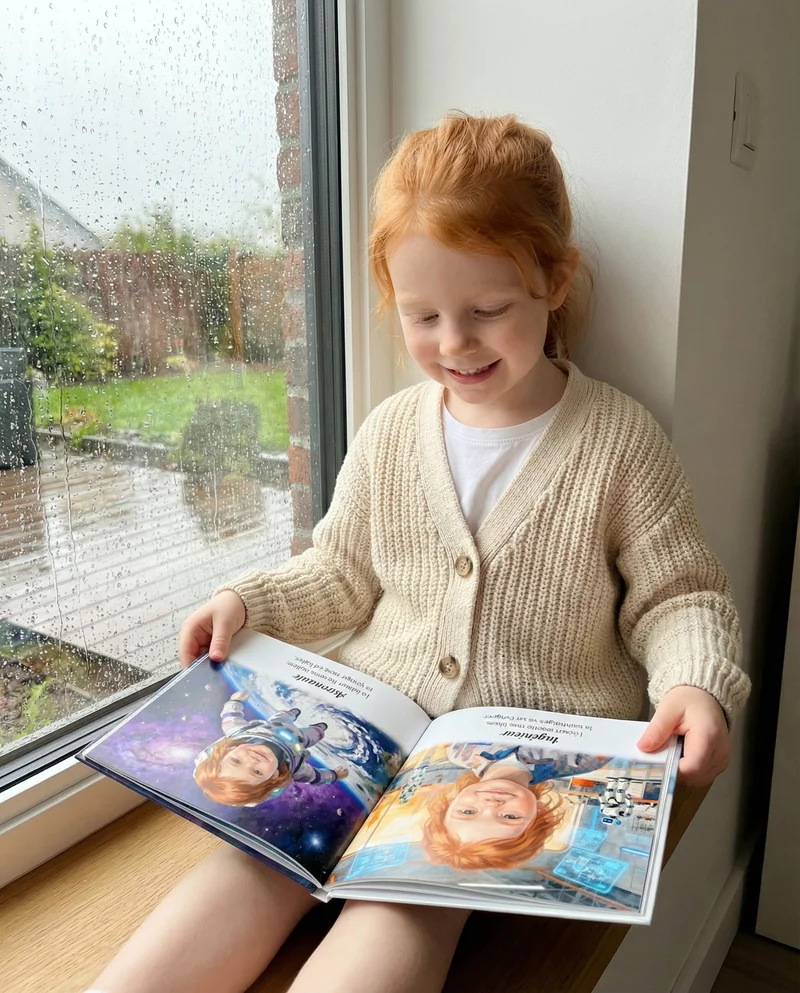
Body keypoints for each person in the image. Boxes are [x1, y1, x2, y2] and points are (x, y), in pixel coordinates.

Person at [85, 112, 750, 993]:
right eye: (422, 314)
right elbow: (341, 572)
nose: (453, 343)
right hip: (362, 737)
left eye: (486, 311)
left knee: (401, 909)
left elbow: (679, 597)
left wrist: (694, 682)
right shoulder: (394, 430)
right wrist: (250, 602)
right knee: (247, 866)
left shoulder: (620, 442)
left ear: (554, 281)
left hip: (497, 773)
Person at [420, 742, 608, 870]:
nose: (492, 805)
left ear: (452, 800)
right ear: (540, 812)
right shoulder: (583, 760)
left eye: (468, 812)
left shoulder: (459, 749)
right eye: (509, 817)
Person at [193, 693, 348, 807]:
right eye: (257, 772)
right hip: (300, 740)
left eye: (236, 760)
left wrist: (234, 700)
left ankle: (292, 713)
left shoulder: (237, 732)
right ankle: (320, 728)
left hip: (278, 723)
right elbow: (314, 776)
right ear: (272, 776)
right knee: (314, 734)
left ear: (228, 751)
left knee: (283, 716)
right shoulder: (295, 768)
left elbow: (230, 717)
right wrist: (334, 775)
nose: (252, 761)